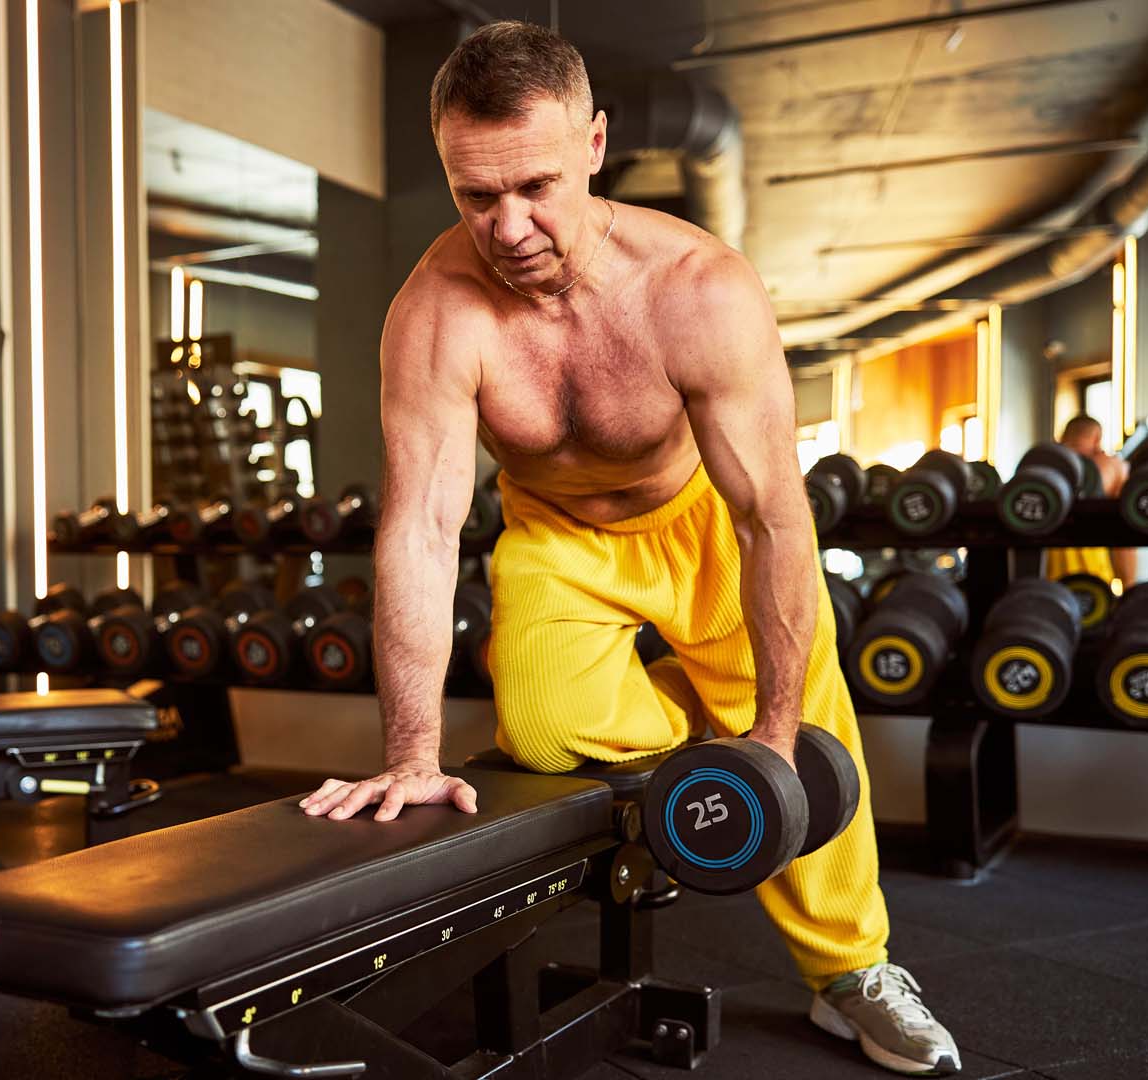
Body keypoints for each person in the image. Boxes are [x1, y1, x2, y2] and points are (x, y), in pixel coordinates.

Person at [298, 21, 961, 1076]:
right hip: (556, 536)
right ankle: (704, 708)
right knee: (544, 731)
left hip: (700, 523)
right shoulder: (434, 311)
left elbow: (772, 518)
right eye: (476, 195)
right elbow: (421, 526)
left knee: (802, 706)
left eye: (535, 186)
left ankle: (853, 974)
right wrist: (411, 754)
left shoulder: (697, 288)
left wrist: (780, 739)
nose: (507, 226)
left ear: (596, 144)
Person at [1047, 414, 1136, 586]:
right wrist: (1129, 586)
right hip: (1090, 575)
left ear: (1064, 436)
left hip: (1043, 570)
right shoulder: (1112, 466)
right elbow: (1124, 535)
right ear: (1097, 439)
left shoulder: (1040, 464)